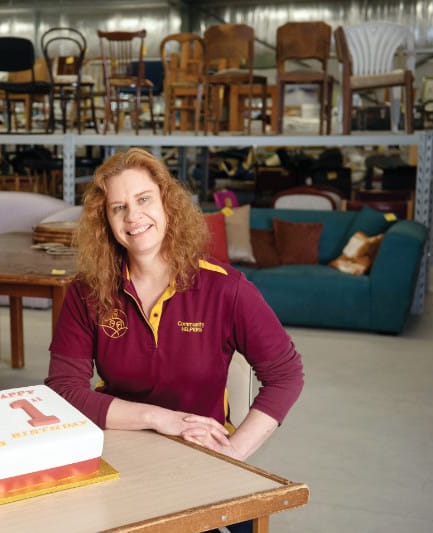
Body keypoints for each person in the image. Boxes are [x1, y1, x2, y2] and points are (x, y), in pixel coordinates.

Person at [45, 148, 304, 533]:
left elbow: (286, 375)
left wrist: (232, 452)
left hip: (201, 455)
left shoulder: (225, 288)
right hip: (119, 449)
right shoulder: (87, 292)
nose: (133, 216)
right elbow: (63, 390)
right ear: (106, 221)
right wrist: (159, 418)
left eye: (143, 199)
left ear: (168, 202)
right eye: (118, 208)